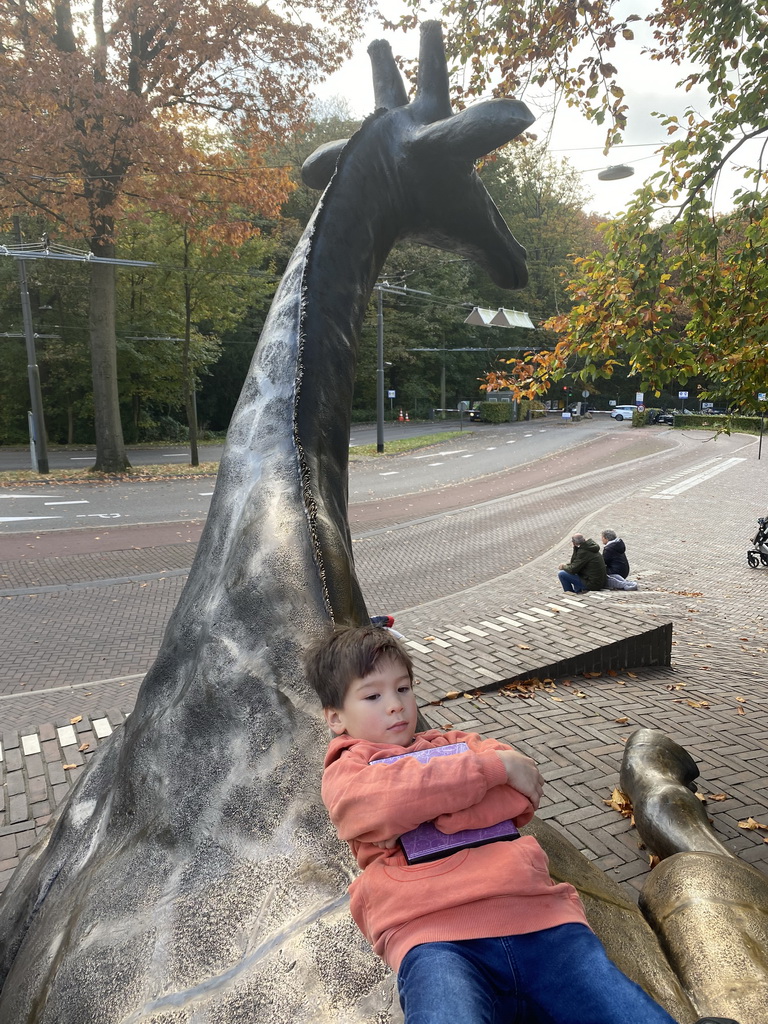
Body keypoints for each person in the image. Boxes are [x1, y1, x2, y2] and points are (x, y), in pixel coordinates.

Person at [304, 623, 692, 1024]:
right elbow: (379, 804)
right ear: (336, 718)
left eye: (403, 688)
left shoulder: (456, 743)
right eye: (373, 695)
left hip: (542, 922)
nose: (395, 705)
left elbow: (522, 795)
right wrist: (488, 775)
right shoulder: (349, 771)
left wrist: (427, 807)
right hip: (435, 935)